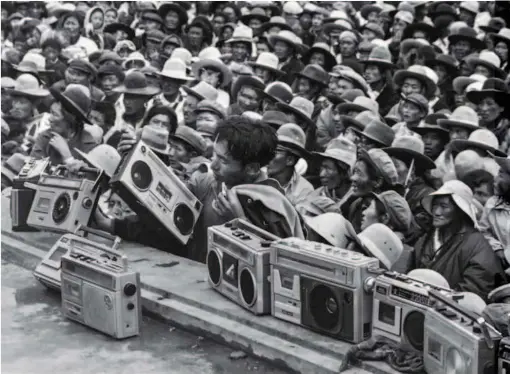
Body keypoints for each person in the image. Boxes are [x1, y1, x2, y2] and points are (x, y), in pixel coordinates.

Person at [414, 180, 506, 301]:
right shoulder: (426, 239)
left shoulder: (477, 246)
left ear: (460, 211)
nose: (436, 212)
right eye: (435, 205)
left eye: (444, 206)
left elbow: (472, 292)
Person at [30, 84, 100, 165]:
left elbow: (86, 176)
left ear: (70, 119)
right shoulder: (45, 137)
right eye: (51, 112)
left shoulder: (89, 145)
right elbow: (32, 170)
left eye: (55, 114)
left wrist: (67, 157)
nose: (50, 118)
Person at [348, 148, 400, 231]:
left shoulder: (391, 213)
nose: (352, 178)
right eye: (354, 172)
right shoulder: (355, 205)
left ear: (377, 182)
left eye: (359, 173)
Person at [267, 123, 313, 207]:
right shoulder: (258, 177)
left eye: (275, 152)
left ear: (290, 160)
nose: (268, 156)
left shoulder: (304, 190)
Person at [480, 153, 510, 269]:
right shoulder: (492, 204)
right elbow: (483, 231)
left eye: (501, 175)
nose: (495, 179)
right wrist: (497, 248)